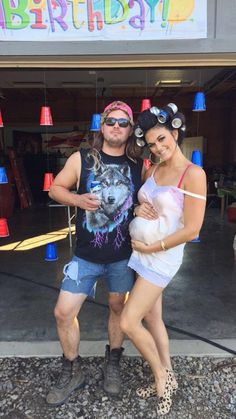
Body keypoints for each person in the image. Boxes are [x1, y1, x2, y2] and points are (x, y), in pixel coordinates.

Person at [46, 101, 143, 406]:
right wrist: (77, 198)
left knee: (118, 309)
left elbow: (149, 196)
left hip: (123, 256)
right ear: (102, 126)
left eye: (123, 123)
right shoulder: (82, 158)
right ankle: (72, 368)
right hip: (85, 256)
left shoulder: (140, 164)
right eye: (111, 122)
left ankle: (112, 361)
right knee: (63, 312)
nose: (116, 127)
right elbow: (55, 189)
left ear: (130, 130)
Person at [120, 104, 207, 415]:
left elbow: (192, 229)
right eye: (152, 143)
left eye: (162, 140)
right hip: (141, 254)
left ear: (174, 133)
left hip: (161, 258)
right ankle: (166, 371)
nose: (157, 147)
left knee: (129, 321)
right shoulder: (153, 168)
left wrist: (152, 247)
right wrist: (136, 211)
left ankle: (163, 377)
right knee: (152, 318)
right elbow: (141, 201)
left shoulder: (193, 174)